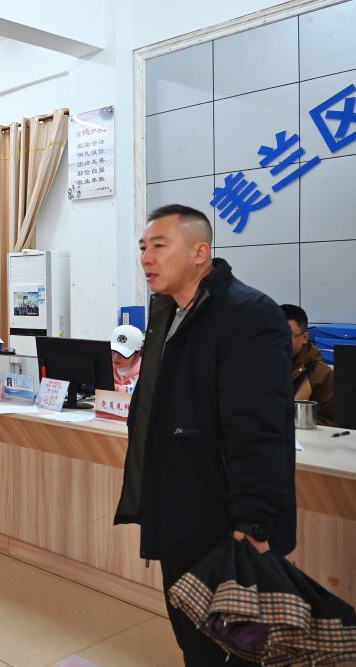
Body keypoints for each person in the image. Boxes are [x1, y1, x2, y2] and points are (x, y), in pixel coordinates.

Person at [114, 204, 295, 667]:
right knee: (194, 640)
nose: (146, 257)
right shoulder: (168, 313)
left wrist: (253, 524)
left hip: (223, 522)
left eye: (160, 245)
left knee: (235, 650)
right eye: (143, 247)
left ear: (200, 252)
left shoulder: (248, 314)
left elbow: (258, 430)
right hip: (178, 511)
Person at [281, 304, 335, 426]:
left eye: (287, 335)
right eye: (275, 333)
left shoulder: (321, 374)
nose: (279, 340)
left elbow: (330, 422)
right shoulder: (260, 365)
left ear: (305, 337)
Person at [110, 323, 144, 393]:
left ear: (137, 354)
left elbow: (142, 392)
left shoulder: (146, 370)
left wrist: (117, 389)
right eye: (113, 351)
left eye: (122, 353)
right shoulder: (104, 365)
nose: (115, 358)